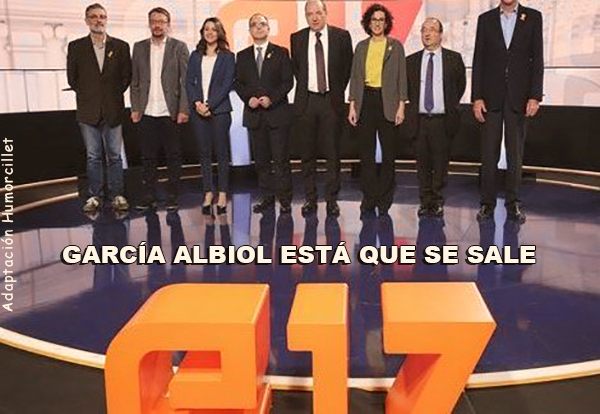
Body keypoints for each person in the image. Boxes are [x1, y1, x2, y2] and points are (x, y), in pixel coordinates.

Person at [472, 0, 544, 223]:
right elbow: (479, 59)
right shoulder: (485, 20)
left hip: (519, 97)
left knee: (515, 154)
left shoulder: (533, 17)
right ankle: (487, 204)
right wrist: (476, 97)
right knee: (488, 154)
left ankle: (513, 203)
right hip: (490, 97)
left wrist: (535, 96)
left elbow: (537, 58)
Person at [290, 0, 353, 217]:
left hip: (331, 101)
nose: (314, 17)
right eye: (310, 14)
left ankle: (332, 200)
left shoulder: (341, 36)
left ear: (326, 13)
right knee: (307, 154)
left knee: (332, 153)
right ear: (306, 16)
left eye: (318, 12)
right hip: (307, 101)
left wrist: (335, 91)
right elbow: (298, 69)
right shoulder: (297, 38)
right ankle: (310, 198)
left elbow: (347, 68)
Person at [67, 3, 131, 214]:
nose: (98, 20)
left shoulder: (121, 46)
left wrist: (109, 97)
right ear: (87, 21)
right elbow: (73, 79)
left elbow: (126, 78)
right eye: (94, 17)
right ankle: (94, 196)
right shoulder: (76, 47)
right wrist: (92, 97)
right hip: (88, 111)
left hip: (113, 110)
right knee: (93, 157)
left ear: (106, 19)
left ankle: (117, 195)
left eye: (102, 16)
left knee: (115, 156)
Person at [348, 3, 407, 218]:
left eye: (381, 20)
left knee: (389, 154)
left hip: (388, 102)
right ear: (368, 23)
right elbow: (355, 77)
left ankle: (384, 199)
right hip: (366, 101)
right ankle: (369, 197)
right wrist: (352, 105)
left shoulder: (395, 46)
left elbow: (402, 77)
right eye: (374, 19)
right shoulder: (361, 47)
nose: (377, 23)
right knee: (366, 154)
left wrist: (401, 105)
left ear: (386, 23)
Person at [405, 17, 466, 218]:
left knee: (440, 165)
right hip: (419, 120)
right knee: (422, 165)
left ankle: (438, 201)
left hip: (442, 121)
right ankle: (425, 202)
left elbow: (459, 87)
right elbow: (409, 90)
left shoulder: (453, 59)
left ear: (440, 34)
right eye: (424, 29)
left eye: (432, 29)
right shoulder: (411, 61)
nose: (427, 33)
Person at [130, 7, 189, 212]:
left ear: (168, 25)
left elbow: (186, 81)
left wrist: (183, 109)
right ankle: (149, 196)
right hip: (146, 111)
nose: (157, 25)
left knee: (173, 156)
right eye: (154, 21)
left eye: (162, 21)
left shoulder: (179, 47)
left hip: (170, 112)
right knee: (148, 157)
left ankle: (173, 195)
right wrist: (135, 107)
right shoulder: (138, 47)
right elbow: (135, 81)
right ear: (149, 24)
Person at [235, 13, 294, 215]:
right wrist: (248, 98)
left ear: (268, 29)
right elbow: (238, 83)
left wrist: (272, 98)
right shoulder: (242, 56)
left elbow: (288, 82)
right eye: (254, 24)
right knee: (261, 162)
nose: (258, 27)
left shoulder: (281, 52)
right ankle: (266, 198)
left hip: (277, 114)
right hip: (254, 116)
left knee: (281, 160)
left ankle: (285, 200)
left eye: (262, 24)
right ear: (250, 30)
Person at [186, 17, 235, 215]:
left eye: (214, 29)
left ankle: (222, 194)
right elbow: (189, 82)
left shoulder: (228, 57)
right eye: (206, 29)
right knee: (204, 154)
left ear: (219, 32)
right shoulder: (195, 55)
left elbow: (227, 84)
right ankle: (208, 192)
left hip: (220, 111)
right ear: (202, 32)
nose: (210, 32)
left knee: (222, 154)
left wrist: (210, 104)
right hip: (198, 112)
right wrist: (197, 103)